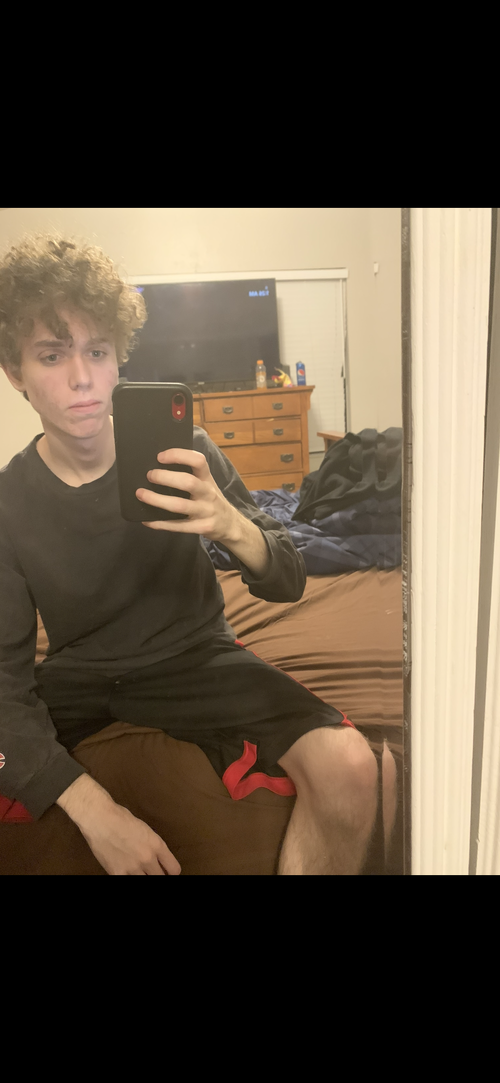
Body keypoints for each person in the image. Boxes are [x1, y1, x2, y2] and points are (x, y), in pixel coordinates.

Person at [0, 234, 395, 875]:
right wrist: (99, 813)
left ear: (117, 358)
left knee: (351, 766)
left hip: (195, 657)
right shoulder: (8, 504)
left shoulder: (190, 452)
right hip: (81, 678)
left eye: (97, 351)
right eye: (52, 354)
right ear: (15, 372)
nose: (82, 377)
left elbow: (290, 577)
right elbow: (5, 682)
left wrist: (231, 524)